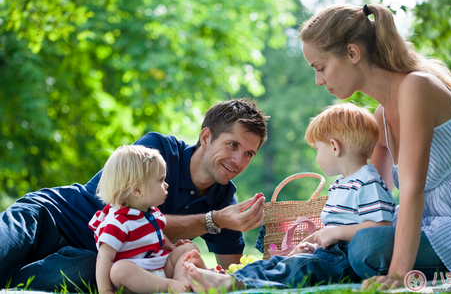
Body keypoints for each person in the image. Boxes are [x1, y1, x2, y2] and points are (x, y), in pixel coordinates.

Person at [0, 98, 268, 291]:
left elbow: (227, 276)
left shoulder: (225, 203)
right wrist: (212, 220)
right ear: (207, 137)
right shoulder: (156, 152)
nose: (238, 161)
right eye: (232, 145)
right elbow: (113, 210)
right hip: (49, 217)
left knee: (95, 274)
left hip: (87, 258)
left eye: (248, 154)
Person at [299, 3, 451, 290]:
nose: (319, 81)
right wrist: (328, 232)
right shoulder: (380, 116)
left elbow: (412, 191)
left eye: (321, 68)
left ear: (353, 53)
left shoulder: (416, 88)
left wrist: (397, 274)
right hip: (429, 228)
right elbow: (372, 205)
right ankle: (249, 278)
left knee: (366, 247)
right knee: (349, 242)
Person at [182, 103, 396, 292]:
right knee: (277, 262)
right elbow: (338, 230)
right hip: (332, 255)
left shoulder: (368, 181)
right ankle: (225, 277)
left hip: (346, 261)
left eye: (317, 149)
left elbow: (381, 229)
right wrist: (313, 244)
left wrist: (336, 233)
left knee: (299, 269)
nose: (317, 156)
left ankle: (238, 285)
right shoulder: (343, 183)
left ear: (334, 147)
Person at [90, 145, 199, 294]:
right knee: (119, 270)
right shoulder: (117, 222)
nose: (166, 185)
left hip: (158, 266)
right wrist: (105, 290)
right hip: (135, 278)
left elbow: (158, 234)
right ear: (137, 190)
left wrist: (172, 248)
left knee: (188, 249)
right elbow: (103, 258)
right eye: (160, 180)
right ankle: (169, 285)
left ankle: (180, 282)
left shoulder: (152, 212)